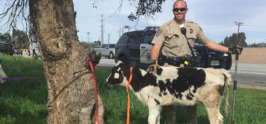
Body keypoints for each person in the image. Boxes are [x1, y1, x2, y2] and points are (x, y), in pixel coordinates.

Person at [146, 0, 243, 124]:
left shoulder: (194, 27)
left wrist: (229, 50)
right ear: (173, 11)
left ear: (186, 10)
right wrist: (154, 62)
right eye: (176, 9)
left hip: (188, 68)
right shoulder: (165, 27)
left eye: (181, 9)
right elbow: (156, 47)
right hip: (170, 68)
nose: (179, 11)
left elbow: (207, 43)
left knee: (191, 98)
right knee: (168, 101)